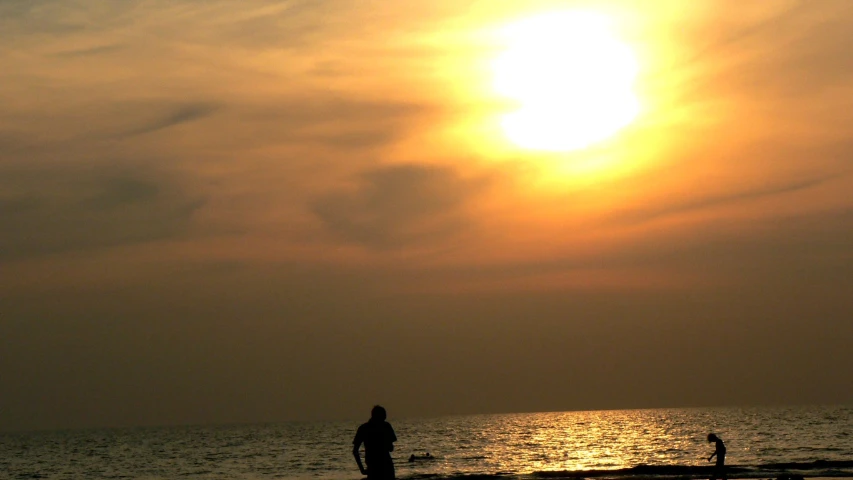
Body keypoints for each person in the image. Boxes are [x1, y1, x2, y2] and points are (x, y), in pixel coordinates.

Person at [353, 405, 397, 479]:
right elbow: (391, 448)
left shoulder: (363, 428)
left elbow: (355, 451)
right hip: (385, 465)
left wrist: (362, 469)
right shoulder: (386, 426)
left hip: (373, 465)